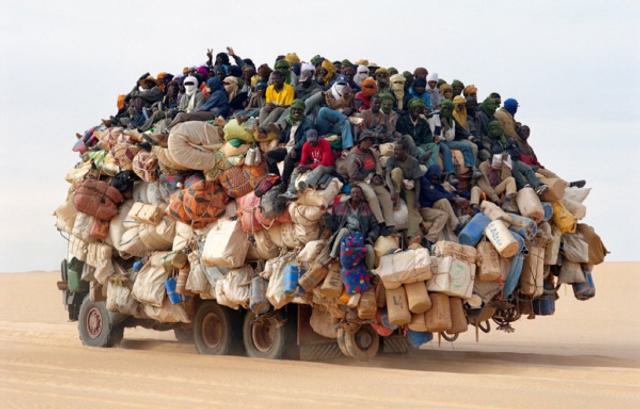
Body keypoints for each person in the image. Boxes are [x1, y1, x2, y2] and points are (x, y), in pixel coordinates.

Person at [344, 131, 395, 232]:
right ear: (360, 141)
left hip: (371, 179)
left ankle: (390, 224)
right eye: (366, 141)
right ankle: (381, 222)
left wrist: (377, 175)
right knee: (372, 196)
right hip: (359, 181)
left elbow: (378, 165)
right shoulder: (354, 155)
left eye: (370, 141)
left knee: (386, 195)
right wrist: (368, 177)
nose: (368, 143)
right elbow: (353, 175)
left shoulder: (371, 152)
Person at [325, 185, 379, 272]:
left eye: (358, 193)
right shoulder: (343, 206)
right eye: (353, 192)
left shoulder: (366, 208)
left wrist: (370, 238)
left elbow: (375, 226)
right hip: (347, 237)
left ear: (361, 195)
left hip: (361, 238)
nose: (356, 194)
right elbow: (334, 223)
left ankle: (369, 273)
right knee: (344, 230)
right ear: (350, 195)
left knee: (369, 249)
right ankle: (332, 257)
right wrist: (327, 216)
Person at [266, 99, 312, 187]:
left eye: (299, 110)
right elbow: (284, 135)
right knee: (269, 155)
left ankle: (284, 181)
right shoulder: (289, 121)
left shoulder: (307, 123)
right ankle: (276, 178)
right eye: (294, 109)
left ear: (302, 111)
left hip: (299, 149)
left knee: (288, 158)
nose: (296, 111)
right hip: (287, 147)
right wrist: (279, 141)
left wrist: (295, 148)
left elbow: (305, 139)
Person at [385, 139, 426, 239]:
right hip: (396, 186)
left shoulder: (413, 162)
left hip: (408, 188)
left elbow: (417, 182)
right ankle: (397, 198)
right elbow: (387, 175)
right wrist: (392, 190)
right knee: (396, 171)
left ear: (405, 151)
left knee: (413, 209)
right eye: (395, 150)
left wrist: (416, 199)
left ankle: (412, 235)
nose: (396, 152)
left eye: (399, 150)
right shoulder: (391, 159)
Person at [280, 129, 335, 199]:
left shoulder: (325, 144)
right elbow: (303, 161)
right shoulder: (306, 146)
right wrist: (301, 167)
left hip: (328, 166)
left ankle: (305, 185)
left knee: (320, 168)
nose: (311, 143)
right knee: (297, 169)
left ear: (318, 138)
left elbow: (325, 162)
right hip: (314, 166)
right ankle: (291, 191)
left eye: (313, 141)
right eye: (310, 142)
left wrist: (308, 166)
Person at [419, 165, 467, 239]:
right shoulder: (424, 181)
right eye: (433, 177)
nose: (434, 179)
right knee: (443, 214)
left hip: (432, 207)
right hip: (424, 209)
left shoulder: (435, 183)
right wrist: (453, 198)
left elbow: (443, 192)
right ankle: (429, 238)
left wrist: (456, 196)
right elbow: (434, 195)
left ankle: (455, 225)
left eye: (436, 177)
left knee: (443, 201)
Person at [441, 98, 481, 177]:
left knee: (466, 146)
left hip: (449, 140)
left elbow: (454, 133)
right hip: (438, 141)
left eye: (449, 110)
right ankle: (450, 173)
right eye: (445, 109)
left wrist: (470, 136)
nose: (447, 111)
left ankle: (471, 168)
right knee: (446, 150)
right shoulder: (435, 117)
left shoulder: (451, 120)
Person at [396, 98, 439, 166]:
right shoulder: (402, 120)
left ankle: (433, 166)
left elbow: (427, 137)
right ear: (410, 109)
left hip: (420, 144)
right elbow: (403, 138)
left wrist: (433, 139)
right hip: (409, 146)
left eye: (419, 108)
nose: (417, 110)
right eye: (415, 108)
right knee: (420, 150)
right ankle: (433, 169)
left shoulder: (423, 122)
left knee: (434, 146)